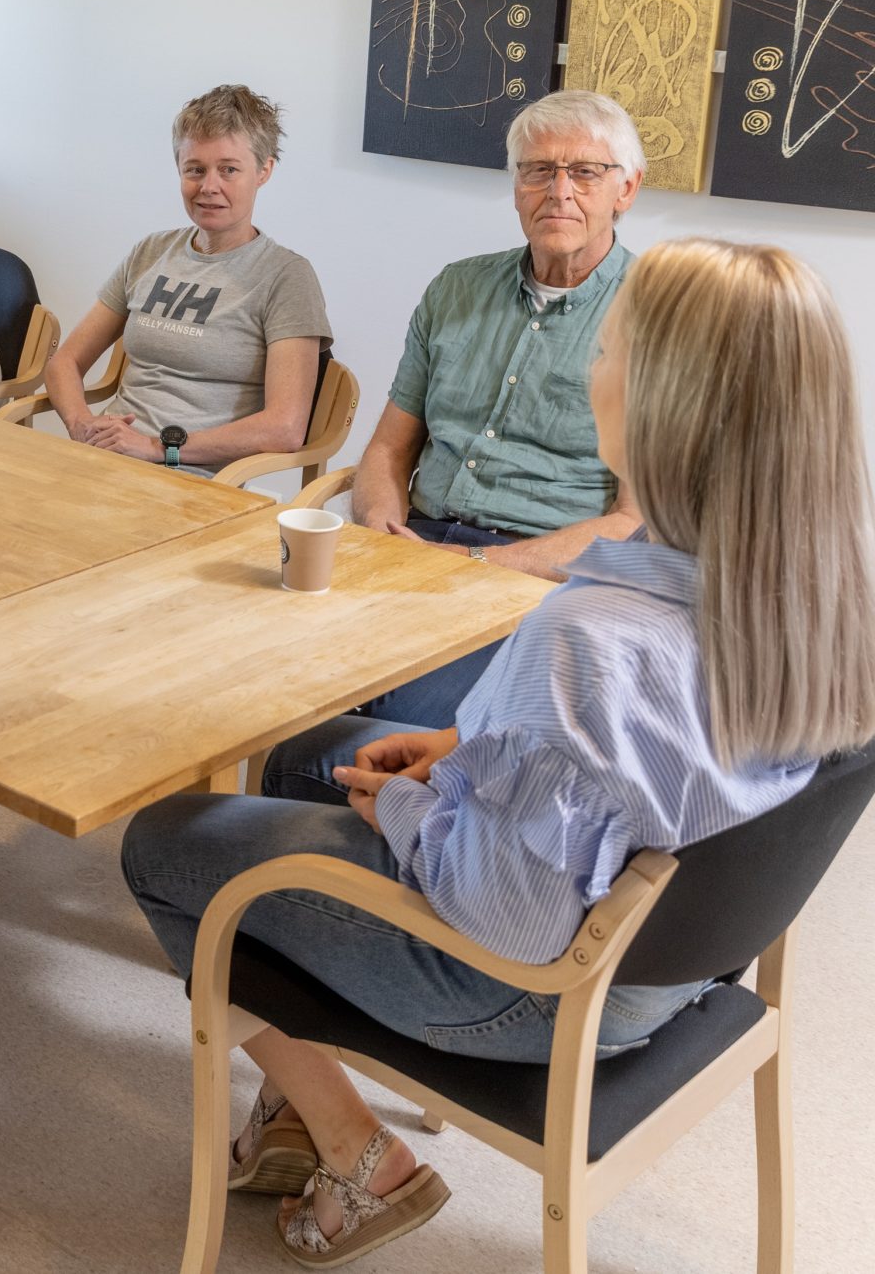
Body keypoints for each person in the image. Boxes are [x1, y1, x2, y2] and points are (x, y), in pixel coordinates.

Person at [121, 239, 875, 1266]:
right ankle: (300, 1108)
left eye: (605, 353)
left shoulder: (585, 638)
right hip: (684, 959)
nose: (588, 373)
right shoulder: (808, 595)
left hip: (535, 991)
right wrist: (470, 746)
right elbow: (659, 763)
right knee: (307, 755)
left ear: (663, 399)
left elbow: (505, 918)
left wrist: (408, 808)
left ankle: (358, 1151)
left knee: (166, 840)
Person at [273, 89, 650, 763]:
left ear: (628, 189)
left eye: (585, 172)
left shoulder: (658, 317)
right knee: (260, 669)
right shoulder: (456, 290)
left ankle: (365, 847)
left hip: (534, 579)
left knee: (359, 728)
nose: (558, 191)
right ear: (515, 189)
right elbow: (389, 448)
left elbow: (632, 522)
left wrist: (481, 563)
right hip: (412, 545)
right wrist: (384, 530)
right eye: (538, 170)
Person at [43, 85, 330, 474]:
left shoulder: (287, 277)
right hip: (105, 460)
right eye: (195, 169)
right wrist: (82, 425)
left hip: (192, 477)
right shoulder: (150, 251)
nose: (209, 187)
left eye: (229, 169)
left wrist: (157, 448)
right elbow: (65, 362)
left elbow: (285, 428)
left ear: (264, 170)